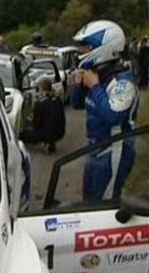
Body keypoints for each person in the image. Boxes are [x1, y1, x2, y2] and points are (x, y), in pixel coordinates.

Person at [70, 20, 140, 202]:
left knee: (105, 203)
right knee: (89, 199)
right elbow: (76, 104)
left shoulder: (123, 82)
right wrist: (78, 85)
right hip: (94, 148)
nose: (81, 52)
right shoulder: (97, 74)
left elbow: (114, 115)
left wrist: (94, 87)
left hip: (115, 148)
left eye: (85, 47)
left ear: (104, 47)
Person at [20, 77, 65, 154]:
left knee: (23, 135)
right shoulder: (58, 100)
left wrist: (28, 120)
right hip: (60, 132)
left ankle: (46, 142)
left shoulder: (39, 104)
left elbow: (36, 123)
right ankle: (50, 142)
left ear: (41, 90)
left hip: (46, 132)